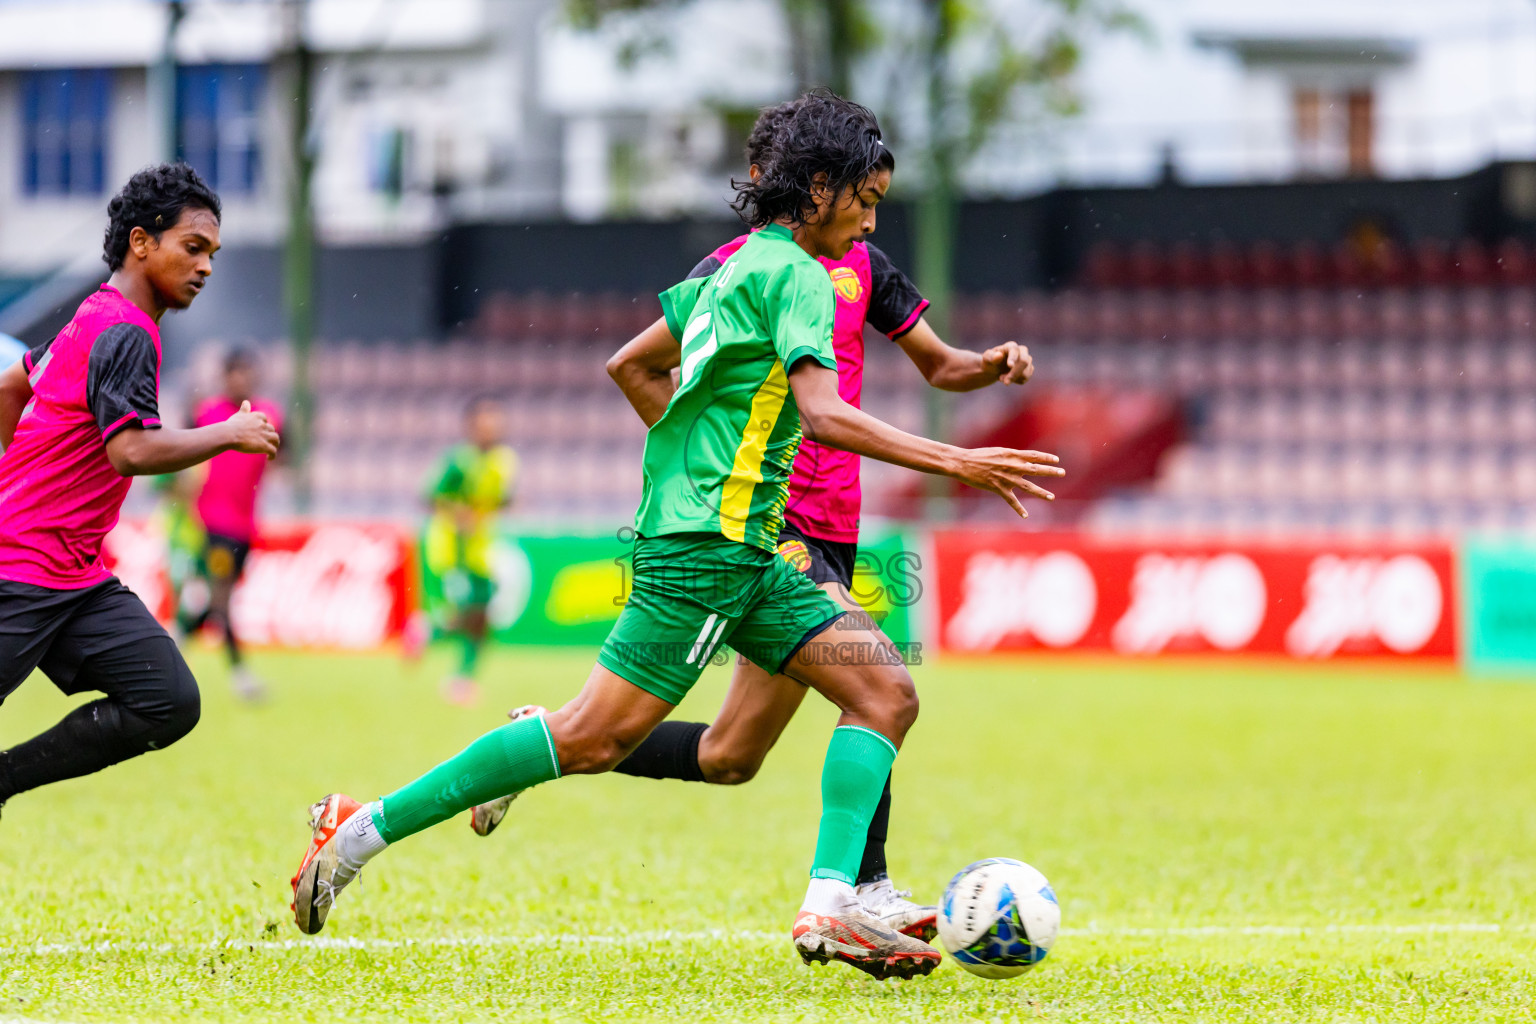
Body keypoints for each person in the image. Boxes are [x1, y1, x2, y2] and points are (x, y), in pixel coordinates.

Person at [288, 93, 1062, 979]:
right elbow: (824, 411)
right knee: (588, 739)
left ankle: (831, 907)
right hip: (704, 553)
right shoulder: (801, 276)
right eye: (864, 200)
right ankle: (357, 828)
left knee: (882, 693)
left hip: (752, 548)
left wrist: (698, 469)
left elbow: (633, 363)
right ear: (817, 190)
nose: (870, 220)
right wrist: (956, 464)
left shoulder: (730, 270)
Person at [0, 164, 280, 817]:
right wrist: (227, 432)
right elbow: (128, 452)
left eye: (212, 253)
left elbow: (11, 387)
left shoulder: (94, 315)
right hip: (19, 571)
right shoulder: (124, 330)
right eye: (193, 247)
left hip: (72, 579)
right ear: (141, 242)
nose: (205, 267)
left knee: (167, 700)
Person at [180, 349, 283, 701]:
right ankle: (240, 674)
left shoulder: (269, 416)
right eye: (235, 373)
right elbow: (179, 452)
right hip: (211, 523)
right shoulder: (206, 413)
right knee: (222, 597)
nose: (242, 380)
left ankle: (176, 639)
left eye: (247, 373)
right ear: (225, 377)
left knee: (215, 601)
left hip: (246, 527)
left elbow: (285, 456)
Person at [418, 396, 518, 705]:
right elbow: (431, 497)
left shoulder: (505, 460)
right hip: (454, 548)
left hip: (482, 547)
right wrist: (460, 514)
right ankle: (459, 674)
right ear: (471, 427)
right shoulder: (459, 461)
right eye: (484, 422)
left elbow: (502, 499)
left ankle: (431, 636)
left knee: (481, 616)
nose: (491, 427)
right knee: (474, 613)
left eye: (495, 420)